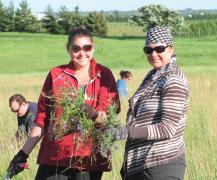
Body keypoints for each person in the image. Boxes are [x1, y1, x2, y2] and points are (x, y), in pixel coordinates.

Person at [7, 26, 120, 180]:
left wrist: (93, 114)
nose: (82, 53)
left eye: (87, 47)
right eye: (76, 48)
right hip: (55, 155)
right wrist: (22, 154)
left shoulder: (104, 75)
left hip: (88, 158)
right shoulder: (56, 75)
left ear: (93, 47)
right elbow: (41, 121)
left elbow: (108, 118)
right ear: (68, 49)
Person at [110, 26, 189, 180]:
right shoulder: (154, 75)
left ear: (171, 49)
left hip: (161, 166)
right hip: (143, 166)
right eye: (148, 50)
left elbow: (167, 129)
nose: (154, 54)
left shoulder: (172, 79)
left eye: (160, 48)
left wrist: (127, 131)